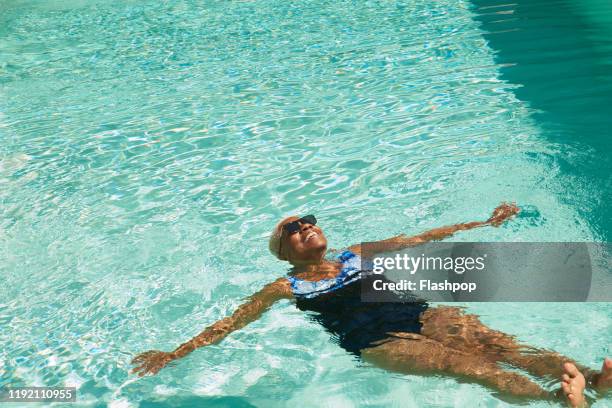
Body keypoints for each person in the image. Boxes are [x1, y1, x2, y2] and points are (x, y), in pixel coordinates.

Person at [131, 203, 611, 407]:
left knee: (507, 348)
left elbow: (422, 237)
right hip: (377, 339)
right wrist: (172, 355)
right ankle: (556, 401)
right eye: (291, 229)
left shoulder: (358, 252)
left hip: (421, 312)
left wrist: (481, 224)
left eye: (308, 220)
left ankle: (591, 379)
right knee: (474, 369)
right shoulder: (283, 288)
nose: (304, 227)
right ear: (283, 251)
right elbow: (228, 324)